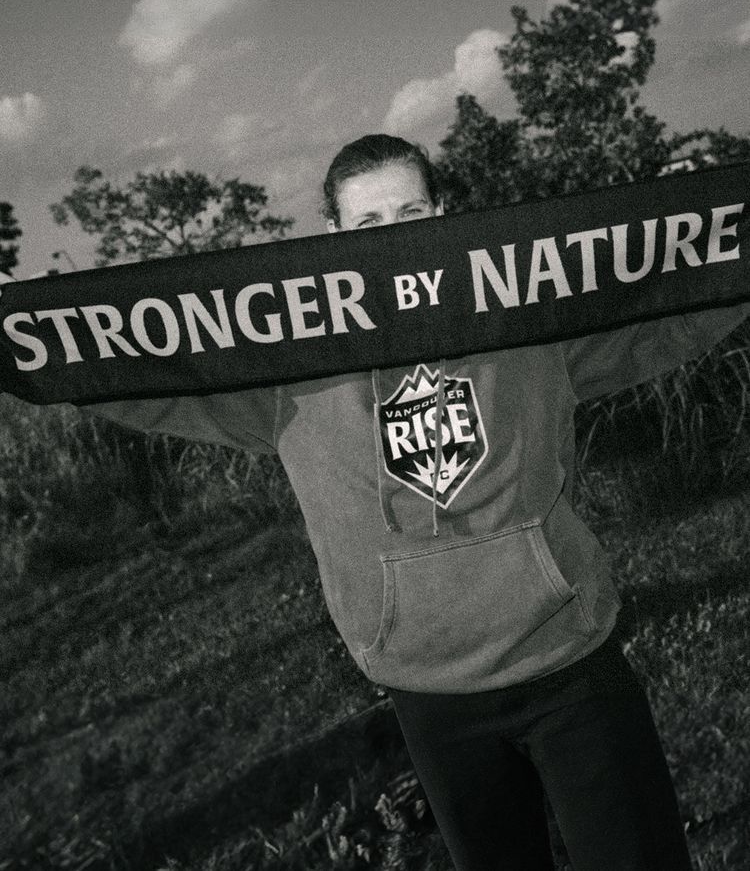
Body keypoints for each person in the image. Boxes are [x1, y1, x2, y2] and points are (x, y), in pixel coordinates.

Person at [4, 135, 749, 870]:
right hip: (427, 691)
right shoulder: (284, 374)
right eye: (369, 226)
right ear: (332, 239)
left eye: (412, 212)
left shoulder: (525, 326)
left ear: (446, 213)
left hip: (570, 662)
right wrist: (40, 339)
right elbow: (142, 384)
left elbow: (670, 320)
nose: (397, 240)